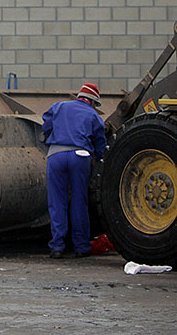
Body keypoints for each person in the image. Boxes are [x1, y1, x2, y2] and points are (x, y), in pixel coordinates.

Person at [42, 82, 107, 259]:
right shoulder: (93, 115)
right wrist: (100, 160)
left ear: (79, 96)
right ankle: (81, 247)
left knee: (57, 202)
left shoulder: (59, 106)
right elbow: (100, 144)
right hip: (80, 156)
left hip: (56, 155)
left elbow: (46, 124)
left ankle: (57, 247)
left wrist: (52, 137)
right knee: (79, 201)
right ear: (93, 102)